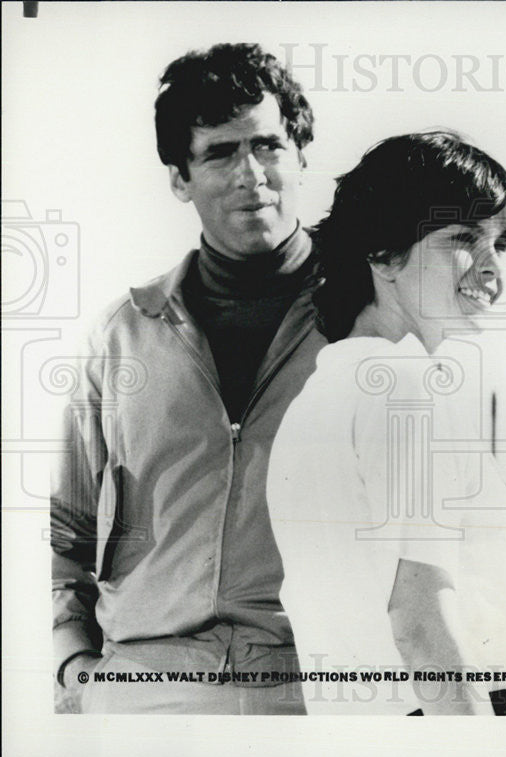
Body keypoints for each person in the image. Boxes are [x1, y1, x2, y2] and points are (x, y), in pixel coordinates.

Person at [50, 43, 327, 714]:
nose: (251, 174)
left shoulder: (370, 319)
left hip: (318, 691)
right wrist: (73, 664)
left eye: (267, 146)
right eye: (220, 153)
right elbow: (66, 529)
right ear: (180, 177)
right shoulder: (121, 336)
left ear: (300, 155)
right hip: (142, 693)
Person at [267, 131, 506, 715]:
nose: (493, 272)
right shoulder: (402, 386)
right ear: (381, 252)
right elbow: (417, 620)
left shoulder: (322, 395)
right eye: (462, 238)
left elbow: (376, 595)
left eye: (498, 244)